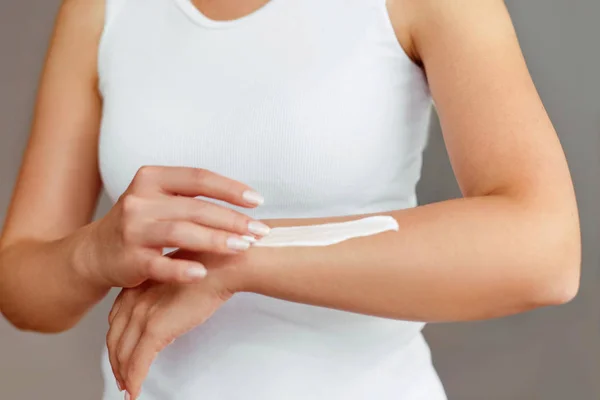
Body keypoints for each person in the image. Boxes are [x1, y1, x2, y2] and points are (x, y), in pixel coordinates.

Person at [0, 0, 581, 399]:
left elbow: (544, 252)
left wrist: (239, 260)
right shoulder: (105, 9)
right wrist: (93, 252)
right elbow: (22, 288)